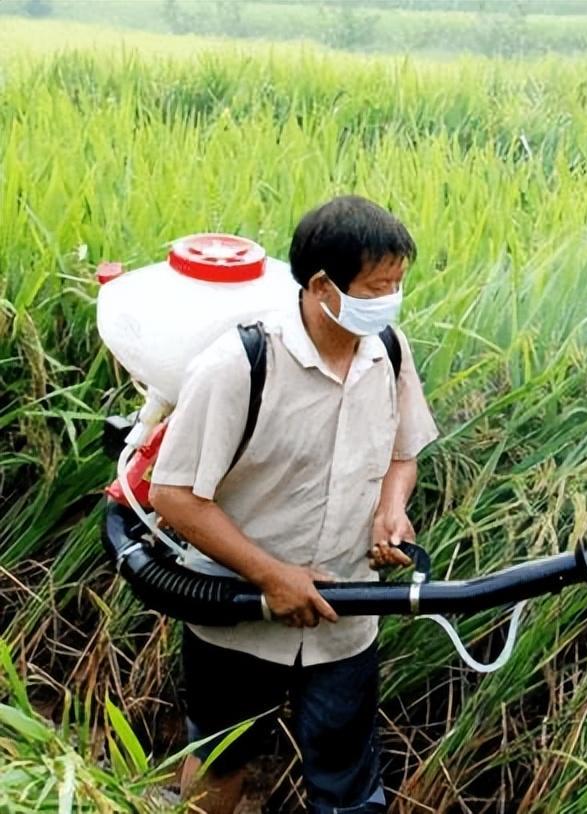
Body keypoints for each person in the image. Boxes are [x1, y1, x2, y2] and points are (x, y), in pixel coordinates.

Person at [150, 195, 439, 814]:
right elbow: (172, 494)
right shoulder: (241, 365)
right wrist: (270, 574)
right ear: (320, 285)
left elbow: (401, 454)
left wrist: (392, 509)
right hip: (238, 614)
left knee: (348, 783)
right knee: (221, 762)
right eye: (376, 286)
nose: (389, 298)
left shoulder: (386, 349)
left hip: (346, 619)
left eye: (396, 284)